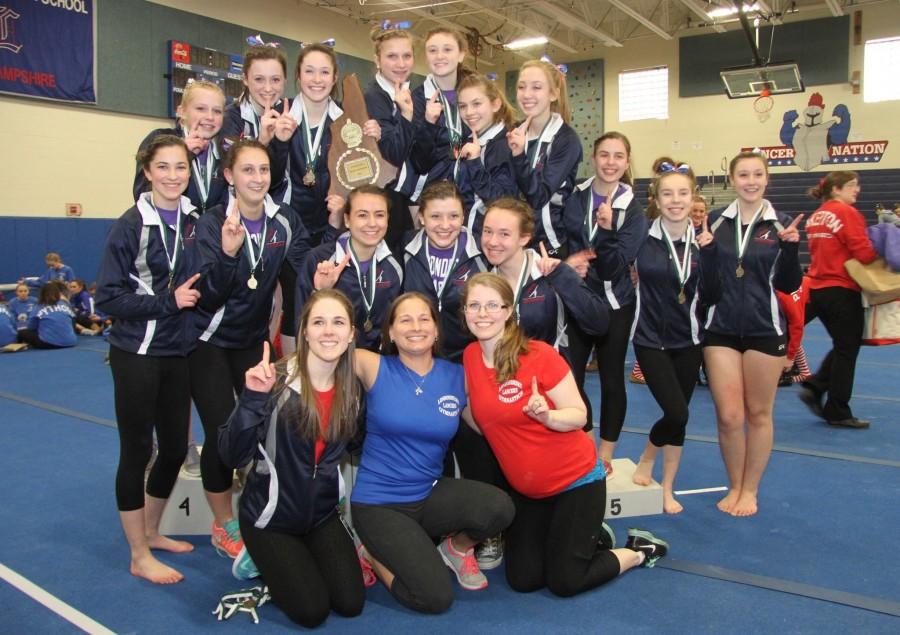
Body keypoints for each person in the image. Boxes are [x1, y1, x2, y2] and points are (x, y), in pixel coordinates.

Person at [461, 272, 668, 597]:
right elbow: (477, 414)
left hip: (575, 483)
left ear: (508, 311)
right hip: (529, 493)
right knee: (524, 580)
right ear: (464, 312)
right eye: (474, 305)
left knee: (565, 581)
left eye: (492, 305)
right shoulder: (471, 357)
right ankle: (592, 538)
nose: (483, 313)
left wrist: (548, 416)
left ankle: (639, 550)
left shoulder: (538, 354)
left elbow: (579, 415)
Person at [95, 134, 219, 584]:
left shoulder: (193, 218)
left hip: (178, 351)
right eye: (163, 167)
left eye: (181, 167)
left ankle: (151, 531)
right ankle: (137, 553)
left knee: (172, 449)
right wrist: (169, 302)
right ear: (146, 171)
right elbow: (108, 297)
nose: (173, 176)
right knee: (137, 451)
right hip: (137, 353)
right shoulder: (130, 225)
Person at [350, 292, 515, 614]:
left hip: (428, 495)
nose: (416, 327)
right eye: (405, 320)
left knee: (499, 508)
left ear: (437, 330)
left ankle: (457, 547)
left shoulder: (456, 377)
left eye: (424, 318)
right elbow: (324, 347)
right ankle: (369, 553)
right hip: (379, 504)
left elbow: (488, 424)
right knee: (435, 598)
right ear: (391, 333)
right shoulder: (371, 364)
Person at [189, 138, 311, 559]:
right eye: (247, 170)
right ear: (229, 176)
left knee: (267, 425)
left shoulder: (284, 222)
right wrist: (226, 254)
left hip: (254, 341)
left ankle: (266, 503)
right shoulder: (209, 224)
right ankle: (223, 523)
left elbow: (306, 268)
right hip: (208, 342)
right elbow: (206, 295)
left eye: (263, 170)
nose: (258, 178)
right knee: (222, 430)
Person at [218, 290, 365, 628]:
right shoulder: (276, 382)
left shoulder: (353, 391)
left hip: (321, 515)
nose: (329, 331)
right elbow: (230, 454)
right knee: (312, 612)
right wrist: (252, 399)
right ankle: (257, 558)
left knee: (350, 603)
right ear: (305, 331)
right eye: (319, 322)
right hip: (271, 519)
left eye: (338, 322)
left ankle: (298, 559)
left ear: (351, 334)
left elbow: (359, 442)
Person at [595, 161, 720, 514]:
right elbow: (610, 268)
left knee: (679, 418)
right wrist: (605, 233)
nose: (676, 200)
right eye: (668, 193)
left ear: (693, 196)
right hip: (649, 339)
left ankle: (666, 487)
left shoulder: (704, 240)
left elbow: (713, 293)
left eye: (682, 193)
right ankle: (649, 456)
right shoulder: (642, 236)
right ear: (657, 198)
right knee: (677, 411)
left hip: (691, 339)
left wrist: (710, 255)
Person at [703, 150, 803, 517]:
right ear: (732, 180)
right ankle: (734, 484)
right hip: (721, 329)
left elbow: (790, 284)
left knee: (759, 412)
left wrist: (791, 250)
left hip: (765, 328)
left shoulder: (782, 223)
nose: (750, 181)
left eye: (757, 174)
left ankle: (750, 489)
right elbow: (707, 282)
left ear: (767, 179)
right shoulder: (715, 222)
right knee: (729, 416)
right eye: (743, 175)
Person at [564, 132, 647, 474]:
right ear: (594, 159)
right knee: (571, 379)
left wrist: (609, 231)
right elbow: (565, 240)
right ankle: (583, 444)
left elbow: (618, 263)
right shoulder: (577, 196)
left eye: (618, 156)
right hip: (578, 300)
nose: (610, 162)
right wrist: (571, 260)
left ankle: (606, 454)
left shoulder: (633, 208)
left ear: (627, 162)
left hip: (616, 302)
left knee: (612, 377)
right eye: (604, 155)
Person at [800, 171, 878, 428]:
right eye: (852, 185)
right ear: (836, 189)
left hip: (818, 287)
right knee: (848, 348)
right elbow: (863, 253)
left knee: (844, 343)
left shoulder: (816, 216)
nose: (857, 190)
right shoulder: (847, 213)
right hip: (842, 288)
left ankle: (816, 384)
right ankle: (837, 409)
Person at [300, 185, 403, 352]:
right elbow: (302, 320)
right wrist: (320, 291)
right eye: (362, 215)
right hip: (329, 358)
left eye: (379, 215)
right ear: (347, 220)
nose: (372, 223)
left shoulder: (394, 265)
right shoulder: (320, 260)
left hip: (374, 362)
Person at [402, 181, 484, 362]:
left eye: (453, 216)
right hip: (417, 356)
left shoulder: (482, 251)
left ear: (463, 216)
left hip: (467, 358)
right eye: (435, 216)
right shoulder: (404, 247)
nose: (445, 225)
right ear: (421, 217)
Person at [507, 59, 582, 256]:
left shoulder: (566, 140)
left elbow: (539, 196)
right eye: (521, 87)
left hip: (550, 245)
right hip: (513, 242)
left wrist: (518, 156)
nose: (527, 94)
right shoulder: (513, 132)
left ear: (553, 94)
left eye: (536, 87)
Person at [133, 80, 228, 214]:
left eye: (217, 111)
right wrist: (181, 153)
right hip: (168, 231)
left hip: (211, 232)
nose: (210, 117)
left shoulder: (227, 151)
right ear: (182, 111)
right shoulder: (159, 139)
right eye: (201, 109)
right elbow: (141, 194)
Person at [364, 24, 419, 255]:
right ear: (377, 60)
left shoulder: (410, 94)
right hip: (383, 200)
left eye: (407, 56)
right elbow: (393, 155)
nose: (401, 64)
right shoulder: (373, 98)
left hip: (406, 201)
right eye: (392, 56)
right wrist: (406, 117)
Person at [455, 72, 518, 243]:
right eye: (462, 106)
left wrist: (475, 163)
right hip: (466, 237)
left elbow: (503, 201)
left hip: (490, 242)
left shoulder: (506, 144)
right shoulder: (470, 139)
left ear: (495, 104)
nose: (469, 112)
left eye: (476, 104)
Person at [411, 28, 471, 188]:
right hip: (432, 192)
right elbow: (419, 163)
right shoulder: (416, 99)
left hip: (470, 190)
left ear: (461, 55)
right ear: (426, 57)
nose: (439, 56)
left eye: (447, 49)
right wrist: (428, 125)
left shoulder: (477, 95)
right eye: (432, 50)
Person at [17, 281, 76, 349]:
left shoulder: (39, 306)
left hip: (48, 343)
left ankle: (17, 346)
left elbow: (31, 327)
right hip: (71, 341)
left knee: (21, 333)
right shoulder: (65, 304)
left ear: (42, 293)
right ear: (58, 293)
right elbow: (73, 321)